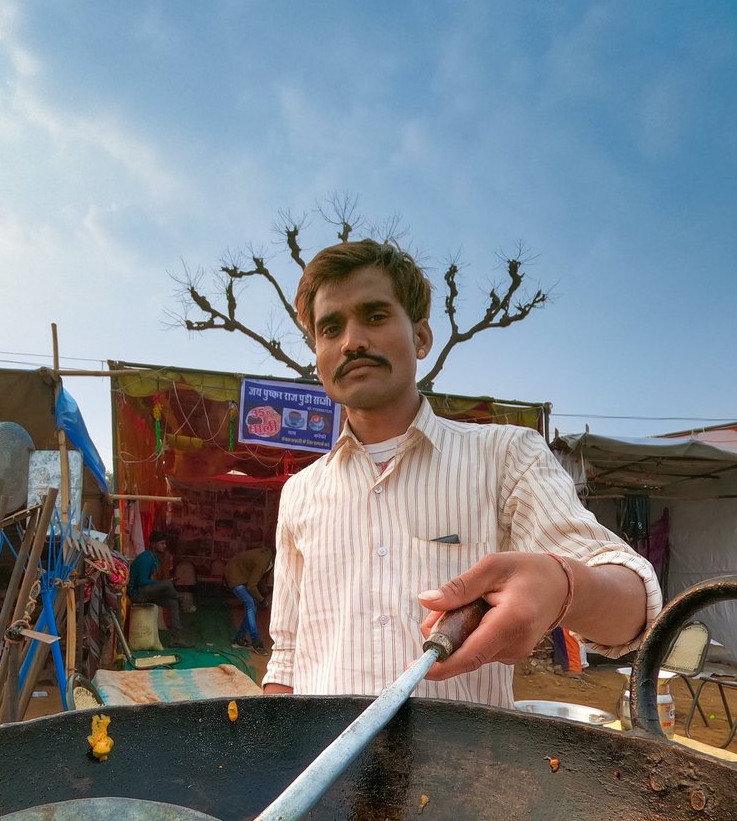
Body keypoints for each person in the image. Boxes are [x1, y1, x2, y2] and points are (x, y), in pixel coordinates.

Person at [262, 239, 662, 706]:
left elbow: (633, 610)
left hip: (464, 773)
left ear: (422, 338)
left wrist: (562, 586)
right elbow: (287, 653)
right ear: (319, 355)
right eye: (330, 329)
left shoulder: (507, 456)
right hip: (327, 763)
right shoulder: (300, 492)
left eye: (374, 316)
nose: (351, 341)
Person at [126, 531, 186, 645]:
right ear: (154, 544)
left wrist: (160, 584)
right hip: (137, 593)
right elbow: (141, 581)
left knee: (173, 603)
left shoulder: (154, 558)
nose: (165, 546)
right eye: (162, 544)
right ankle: (178, 597)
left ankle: (176, 638)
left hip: (146, 592)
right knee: (168, 584)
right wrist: (161, 584)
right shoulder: (146, 557)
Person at [225, 547, 273, 655]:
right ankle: (257, 643)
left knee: (252, 606)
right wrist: (262, 601)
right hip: (235, 577)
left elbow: (258, 579)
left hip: (240, 576)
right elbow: (252, 586)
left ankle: (239, 639)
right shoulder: (264, 560)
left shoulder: (268, 558)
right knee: (251, 605)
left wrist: (265, 595)